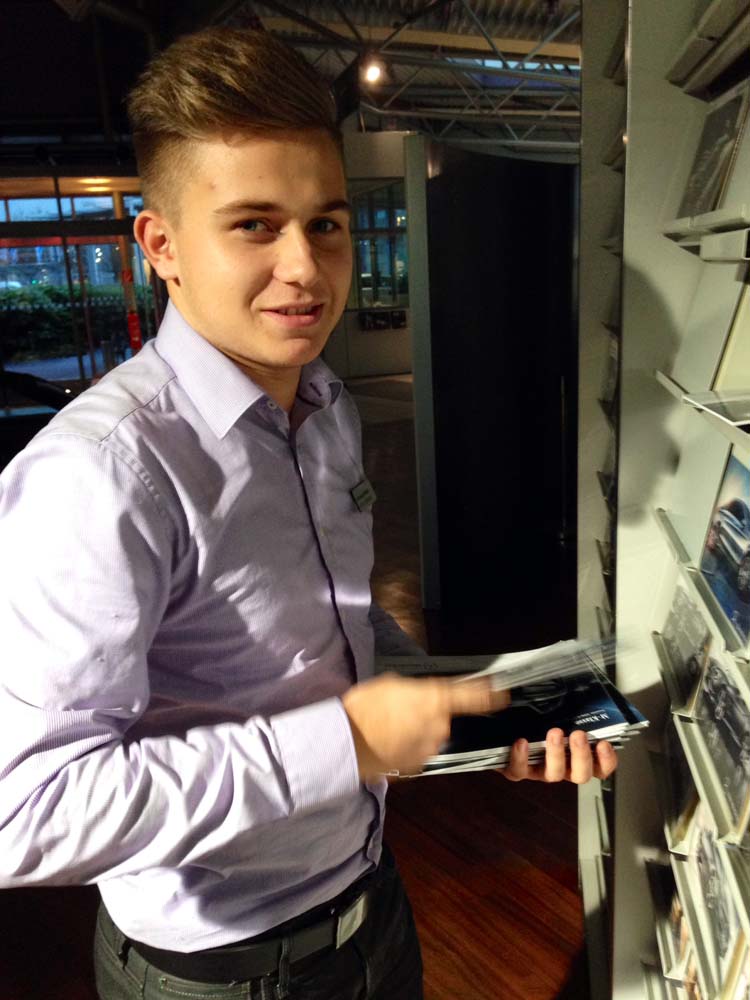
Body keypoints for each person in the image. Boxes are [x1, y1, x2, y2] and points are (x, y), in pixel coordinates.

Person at [0, 27, 617, 1000]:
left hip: (373, 906)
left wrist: (480, 718)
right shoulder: (100, 475)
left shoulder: (325, 406)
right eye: (255, 225)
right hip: (220, 974)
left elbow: (339, 631)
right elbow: (26, 812)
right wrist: (349, 741)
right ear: (161, 247)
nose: (306, 268)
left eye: (326, 223)